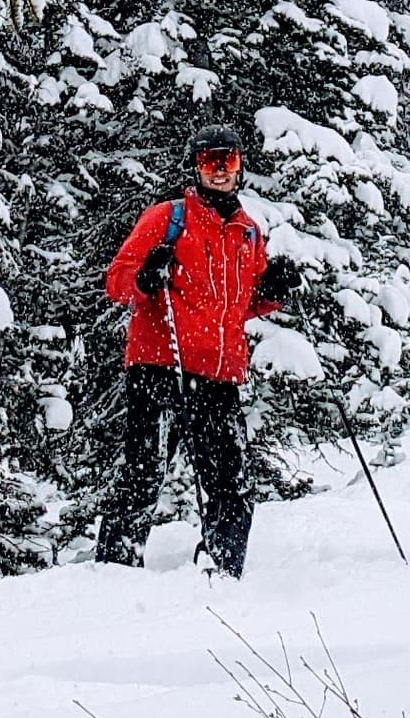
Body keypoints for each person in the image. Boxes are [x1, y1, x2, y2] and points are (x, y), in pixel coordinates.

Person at [95, 128, 299, 575]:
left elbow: (239, 305)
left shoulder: (248, 233)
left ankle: (221, 573)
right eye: (211, 161)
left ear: (241, 167)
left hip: (219, 374)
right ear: (196, 168)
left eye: (228, 161)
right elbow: (117, 279)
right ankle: (114, 571)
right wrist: (146, 279)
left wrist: (273, 289)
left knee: (231, 482)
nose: (221, 170)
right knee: (144, 474)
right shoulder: (167, 219)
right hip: (160, 365)